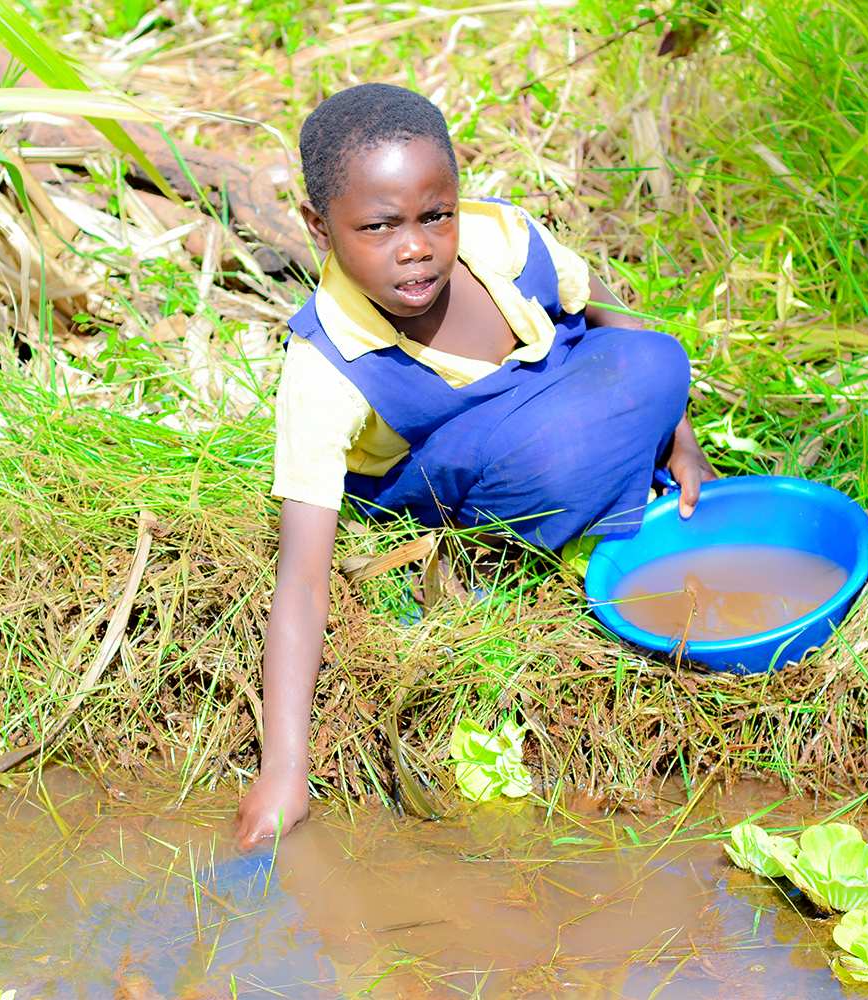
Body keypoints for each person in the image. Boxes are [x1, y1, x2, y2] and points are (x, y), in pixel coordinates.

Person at [235, 83, 713, 849]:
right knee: (561, 456)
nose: (416, 247)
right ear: (318, 227)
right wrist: (284, 771)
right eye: (379, 226)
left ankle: (607, 458)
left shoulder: (502, 239)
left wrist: (677, 433)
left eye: (436, 215)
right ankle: (497, 552)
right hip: (459, 468)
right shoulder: (325, 365)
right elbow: (302, 579)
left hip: (552, 389)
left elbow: (606, 310)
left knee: (657, 359)